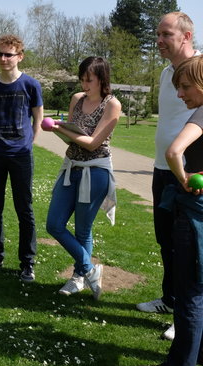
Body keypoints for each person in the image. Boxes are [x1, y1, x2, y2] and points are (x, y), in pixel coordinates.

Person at [137, 54, 203, 366]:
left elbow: (173, 151)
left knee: (189, 291)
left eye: (186, 87)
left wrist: (185, 178)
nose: (180, 95)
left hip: (194, 217)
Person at [44, 57, 121, 300]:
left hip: (96, 171)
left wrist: (59, 128)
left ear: (102, 79)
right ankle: (90, 269)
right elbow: (71, 138)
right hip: (71, 167)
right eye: (82, 79)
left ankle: (78, 277)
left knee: (82, 230)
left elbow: (93, 143)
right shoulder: (77, 99)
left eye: (89, 79)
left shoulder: (112, 105)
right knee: (54, 224)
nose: (84, 84)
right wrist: (61, 129)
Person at [0, 34, 44, 283]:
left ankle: (27, 263)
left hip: (21, 155)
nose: (3, 59)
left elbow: (38, 117)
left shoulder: (30, 85)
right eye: (0, 54)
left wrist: (29, 142)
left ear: (20, 56)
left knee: (24, 209)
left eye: (9, 54)